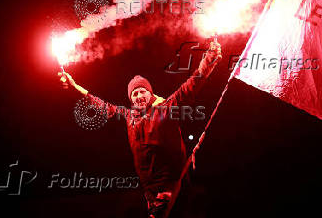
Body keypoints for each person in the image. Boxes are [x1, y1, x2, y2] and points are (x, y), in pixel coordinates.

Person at [58, 40, 222, 218]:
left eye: (142, 91)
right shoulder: (129, 117)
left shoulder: (165, 108)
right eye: (134, 94)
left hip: (174, 189)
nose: (138, 96)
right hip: (150, 197)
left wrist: (208, 61)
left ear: (150, 93)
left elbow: (190, 87)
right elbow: (101, 105)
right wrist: (74, 87)